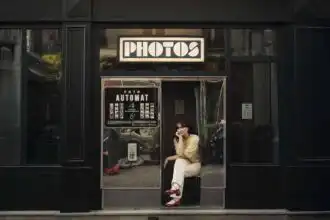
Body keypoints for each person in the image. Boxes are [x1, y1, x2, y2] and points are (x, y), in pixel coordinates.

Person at [163, 122, 201, 207]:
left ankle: (175, 198)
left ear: (187, 129)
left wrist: (170, 157)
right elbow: (180, 154)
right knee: (179, 162)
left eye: (181, 127)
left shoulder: (194, 138)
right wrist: (180, 138)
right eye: (178, 128)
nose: (179, 130)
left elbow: (188, 154)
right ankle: (175, 190)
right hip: (186, 164)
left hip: (197, 164)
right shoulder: (178, 139)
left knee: (179, 170)